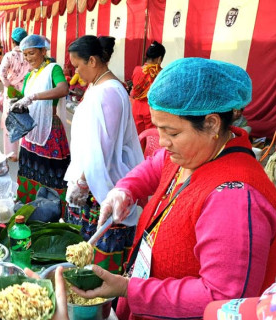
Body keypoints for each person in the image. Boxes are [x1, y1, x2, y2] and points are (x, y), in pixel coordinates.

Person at [77, 58, 276, 319]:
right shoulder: (194, 152)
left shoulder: (236, 199)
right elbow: (154, 166)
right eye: (158, 129)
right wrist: (124, 190)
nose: (162, 142)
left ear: (212, 123)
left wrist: (129, 289)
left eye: (171, 132)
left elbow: (221, 298)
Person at [64, 35, 143, 274]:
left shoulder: (108, 92)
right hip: (92, 176)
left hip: (101, 182)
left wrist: (83, 182)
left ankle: (101, 293)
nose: (76, 73)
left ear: (92, 61)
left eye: (77, 66)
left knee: (98, 251)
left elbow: (104, 149)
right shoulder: (98, 87)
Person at [10, 34, 70, 215]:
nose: (28, 58)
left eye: (32, 54)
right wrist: (16, 99)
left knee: (52, 171)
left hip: (50, 129)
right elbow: (23, 97)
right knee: (29, 167)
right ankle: (29, 209)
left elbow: (63, 89)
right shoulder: (30, 75)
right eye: (25, 55)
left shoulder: (53, 69)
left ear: (43, 51)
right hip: (30, 132)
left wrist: (34, 96)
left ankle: (53, 211)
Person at [0, 27, 30, 162]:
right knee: (25, 119)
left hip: (11, 93)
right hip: (27, 91)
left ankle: (12, 154)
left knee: (10, 120)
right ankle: (26, 150)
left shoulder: (9, 55)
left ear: (12, 41)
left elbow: (1, 73)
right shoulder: (30, 54)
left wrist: (8, 85)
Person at [130, 41, 165, 135]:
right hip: (151, 108)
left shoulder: (137, 70)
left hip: (136, 108)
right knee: (151, 137)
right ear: (159, 58)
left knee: (139, 137)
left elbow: (133, 92)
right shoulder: (160, 73)